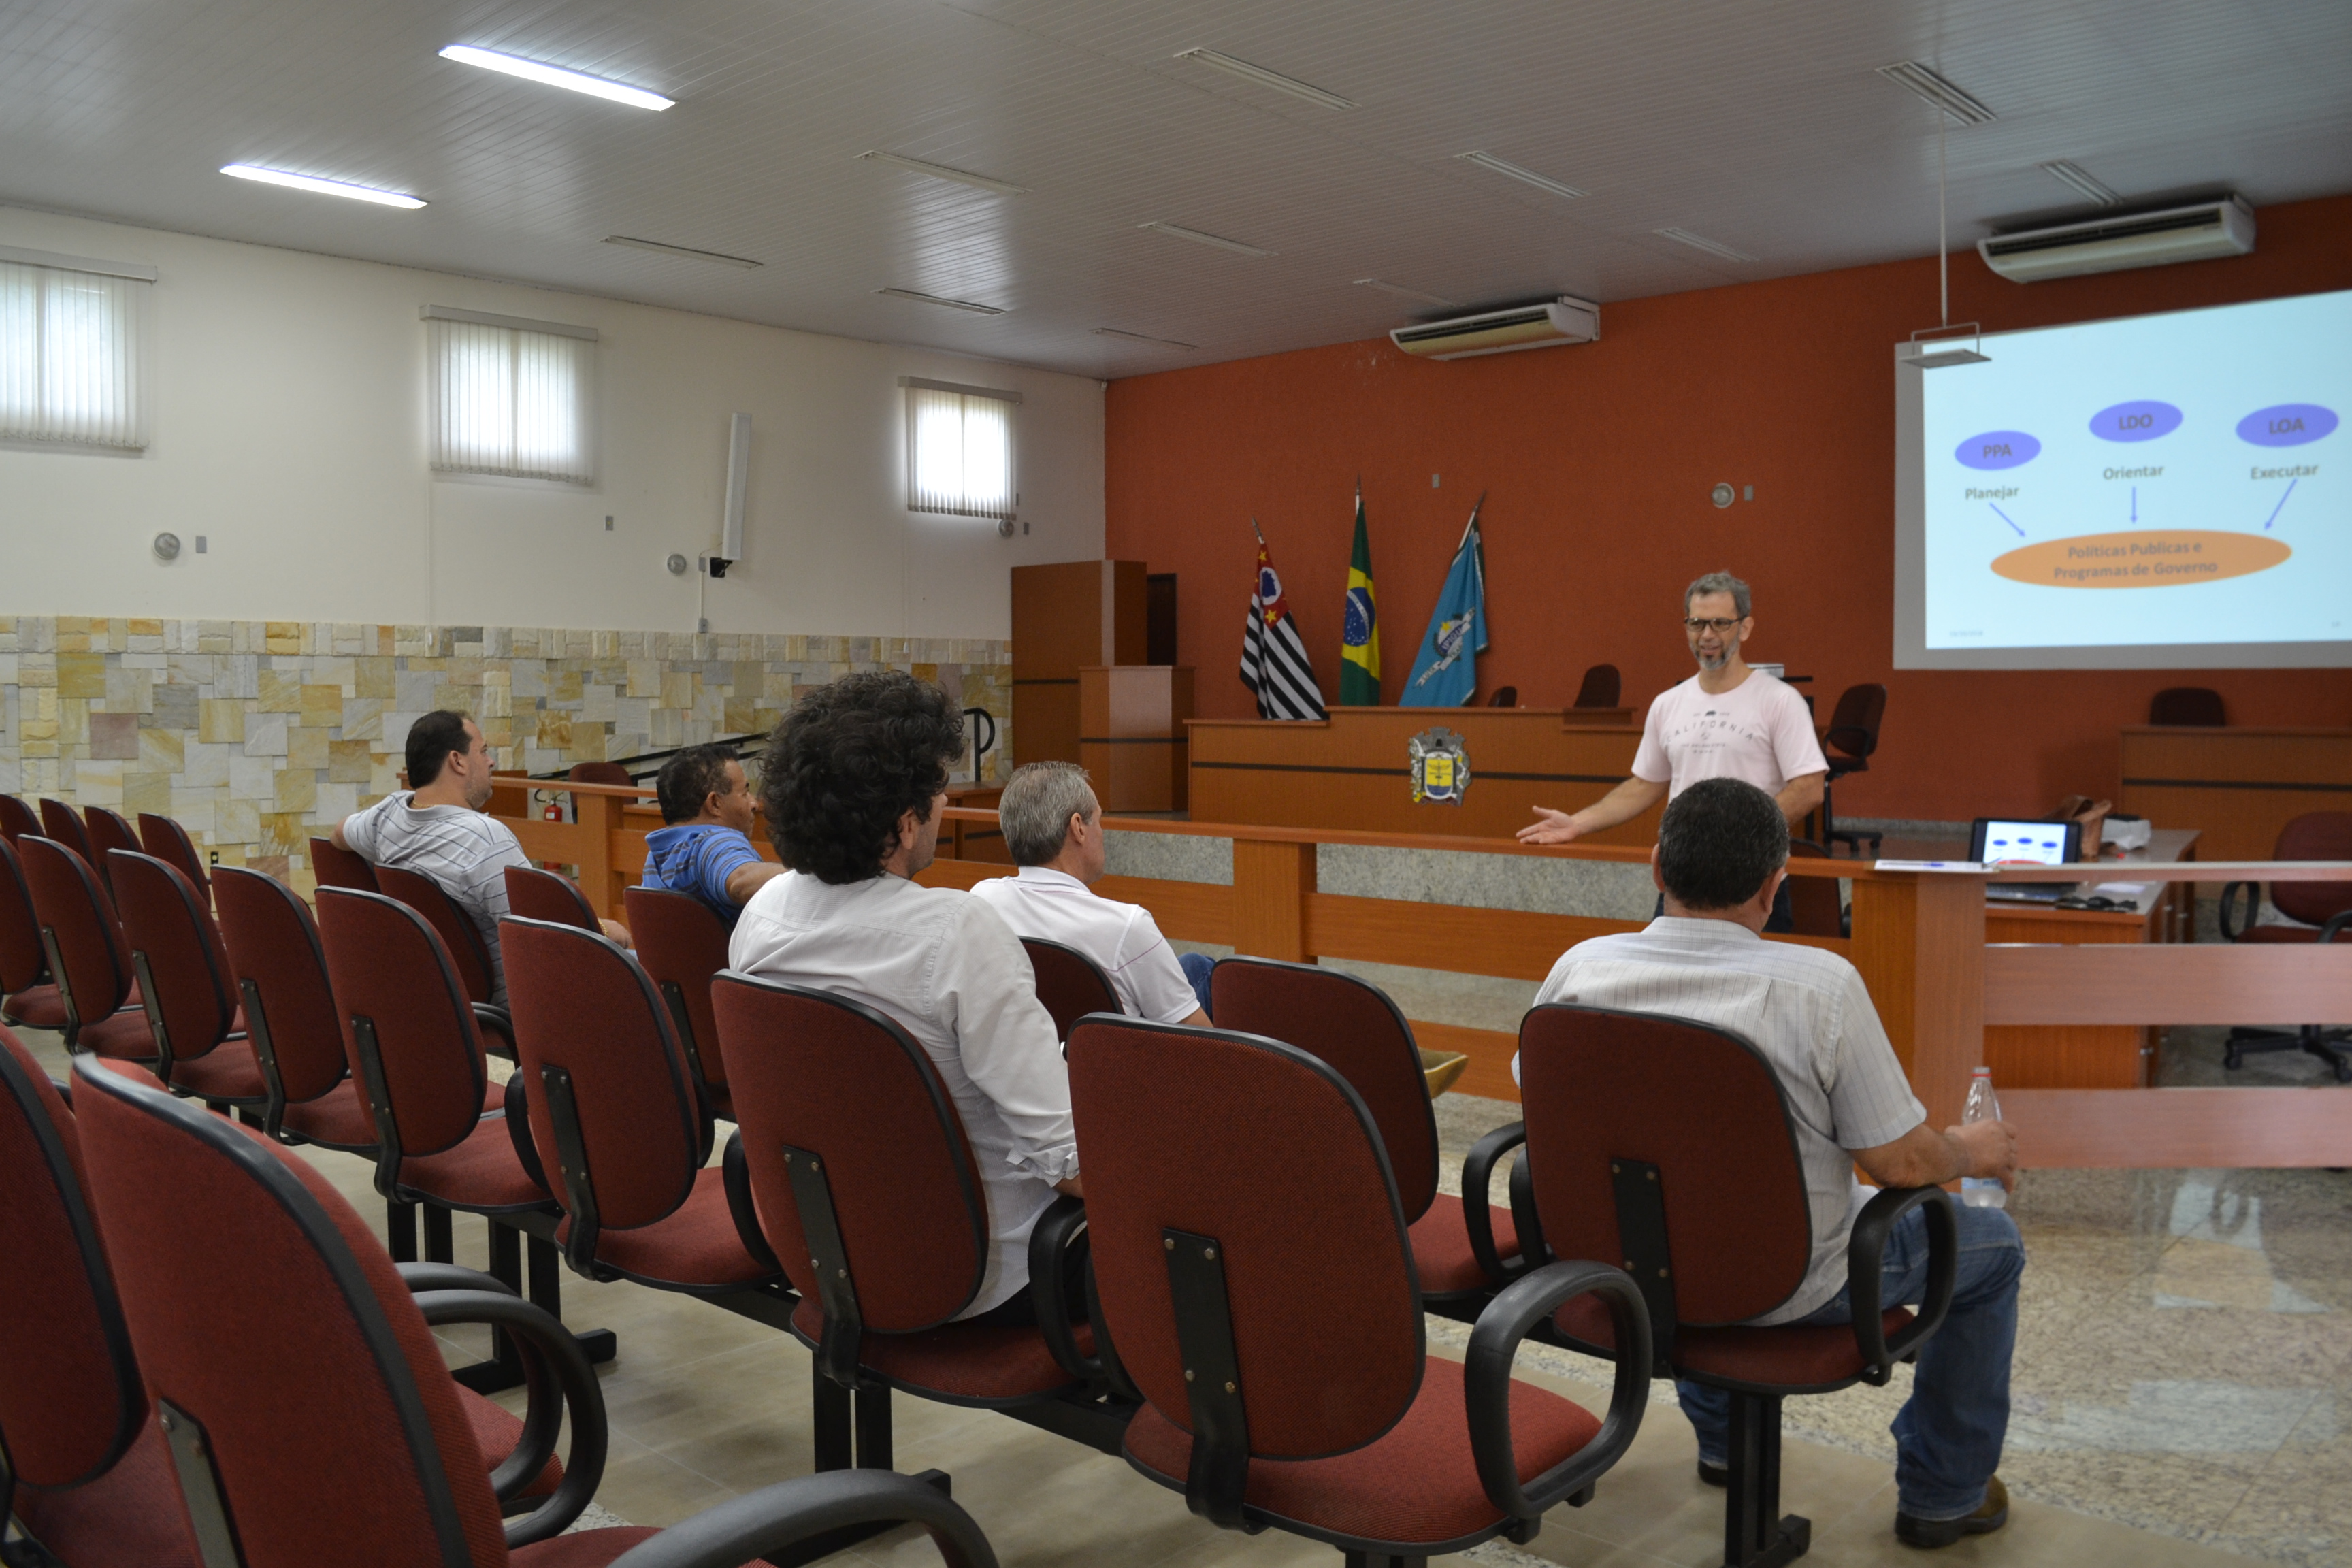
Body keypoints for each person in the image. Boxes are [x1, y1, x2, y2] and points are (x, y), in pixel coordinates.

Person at [1518, 777, 2023, 1548]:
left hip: (1618, 1264)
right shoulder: (1821, 988)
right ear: (1773, 884)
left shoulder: (1581, 968)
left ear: (1656, 870)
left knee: (1677, 1204)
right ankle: (1944, 1492)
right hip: (1788, 1283)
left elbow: (1540, 1096)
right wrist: (1968, 1149)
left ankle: (1722, 1444)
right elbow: (1898, 1163)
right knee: (1993, 1249)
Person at [728, 672, 1078, 1324]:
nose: (945, 802)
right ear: (906, 821)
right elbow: (1068, 1162)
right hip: (990, 1276)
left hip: (823, 1247)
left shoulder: (767, 912)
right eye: (938, 790)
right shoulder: (957, 930)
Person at [1518, 571, 1826, 933]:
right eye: (1696, 623)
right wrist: (1577, 823)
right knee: (1672, 984)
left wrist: (1742, 835)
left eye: (1720, 623)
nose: (1707, 635)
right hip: (1682, 880)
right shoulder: (1668, 704)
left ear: (1745, 628)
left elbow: (1809, 786)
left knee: (1755, 986)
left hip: (1752, 878)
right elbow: (1643, 785)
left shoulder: (1779, 700)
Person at [333, 710, 631, 1003]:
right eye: (484, 751)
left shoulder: (388, 815)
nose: (491, 762)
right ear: (457, 761)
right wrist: (605, 929)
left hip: (437, 993)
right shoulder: (486, 838)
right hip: (518, 1004)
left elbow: (337, 836)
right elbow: (543, 936)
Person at [972, 762, 1212, 1026]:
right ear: (1079, 827)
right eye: (1099, 820)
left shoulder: (984, 899)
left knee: (1191, 963)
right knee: (1203, 968)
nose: (1102, 831)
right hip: (1108, 1061)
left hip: (1034, 1053)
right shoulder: (1127, 926)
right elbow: (1201, 1042)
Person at [638, 744, 784, 928]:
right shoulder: (713, 842)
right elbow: (741, 881)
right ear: (714, 804)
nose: (754, 803)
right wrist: (813, 876)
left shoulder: (656, 857)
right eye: (745, 793)